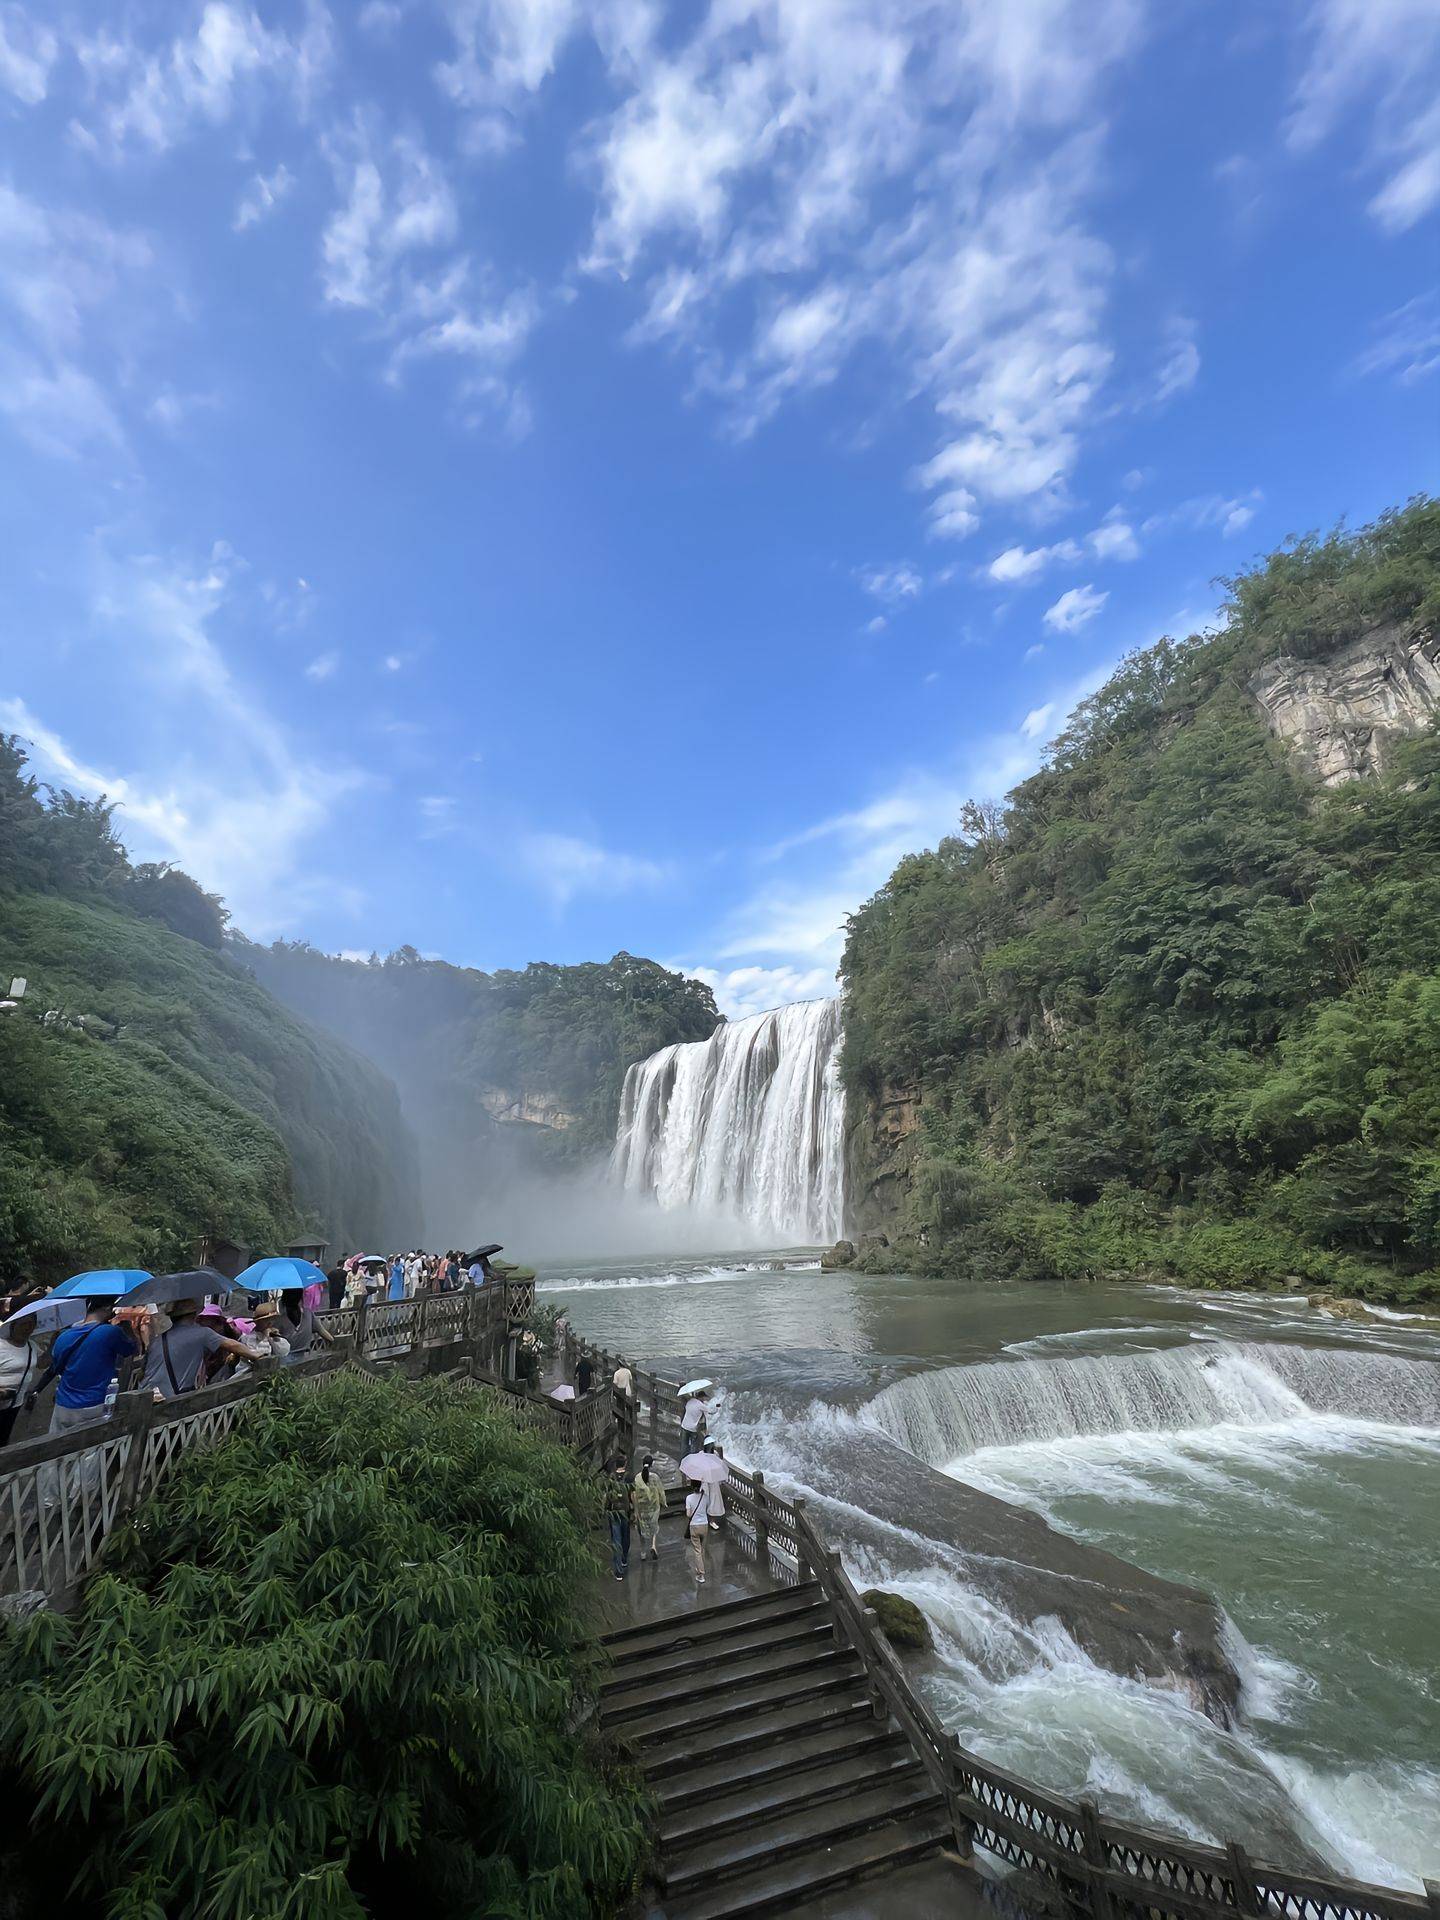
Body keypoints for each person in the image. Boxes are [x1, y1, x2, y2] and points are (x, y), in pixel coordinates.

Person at [27, 1300, 139, 1435]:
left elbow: (55, 1367)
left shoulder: (63, 1336)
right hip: (95, 1403)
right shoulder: (110, 1332)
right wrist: (127, 1329)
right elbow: (131, 1349)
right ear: (108, 1308)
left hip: (63, 1404)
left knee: (58, 1448)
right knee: (90, 1451)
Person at [140, 1300, 253, 1400]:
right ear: (194, 1315)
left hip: (144, 1395)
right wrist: (256, 1356)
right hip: (168, 1400)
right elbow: (232, 1345)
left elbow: (144, 1369)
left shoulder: (157, 1340)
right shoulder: (202, 1333)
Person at [0, 1314, 41, 1445]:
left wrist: (53, 1346)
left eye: (31, 1324)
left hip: (15, 1404)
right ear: (13, 1325)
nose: (27, 1328)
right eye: (24, 1324)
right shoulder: (1, 1345)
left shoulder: (32, 1346)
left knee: (3, 1439)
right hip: (2, 1398)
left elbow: (42, 1364)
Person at [232, 1302, 291, 1376]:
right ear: (257, 1322)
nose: (269, 1323)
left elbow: (283, 1352)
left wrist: (275, 1339)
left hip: (268, 1373)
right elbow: (256, 1358)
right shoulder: (248, 1338)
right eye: (266, 1320)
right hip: (247, 1374)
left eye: (272, 1320)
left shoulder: (273, 1336)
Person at [603, 1456, 632, 1581]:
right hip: (625, 1512)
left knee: (616, 1540)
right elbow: (633, 1495)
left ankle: (618, 1571)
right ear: (624, 1464)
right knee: (626, 1537)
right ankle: (624, 1559)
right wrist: (635, 1510)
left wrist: (604, 1509)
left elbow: (606, 1496)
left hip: (614, 1512)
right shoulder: (629, 1477)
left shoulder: (611, 1478)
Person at [632, 1456, 665, 1560]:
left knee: (641, 1529)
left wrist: (635, 1510)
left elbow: (634, 1493)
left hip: (641, 1509)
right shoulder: (655, 1477)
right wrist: (663, 1502)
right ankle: (653, 1546)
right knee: (654, 1527)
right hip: (653, 1508)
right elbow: (660, 1491)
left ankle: (642, 1553)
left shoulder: (637, 1477)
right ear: (652, 1464)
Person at [684, 1477, 711, 1584]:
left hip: (694, 1526)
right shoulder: (705, 1497)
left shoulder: (689, 1498)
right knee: (702, 1548)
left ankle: (701, 1574)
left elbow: (688, 1514)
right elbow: (707, 1508)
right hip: (704, 1525)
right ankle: (701, 1566)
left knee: (697, 1550)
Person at [702, 1439, 727, 1528]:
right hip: (705, 1480)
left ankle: (712, 1520)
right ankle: (705, 1518)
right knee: (705, 1499)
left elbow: (719, 1465)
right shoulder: (702, 1455)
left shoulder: (715, 1455)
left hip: (713, 1481)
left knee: (713, 1500)